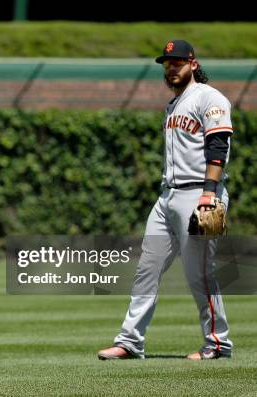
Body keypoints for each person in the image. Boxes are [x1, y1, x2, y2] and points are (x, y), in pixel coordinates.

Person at [98, 40, 234, 361]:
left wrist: (209, 194)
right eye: (167, 62)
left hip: (200, 193)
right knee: (147, 269)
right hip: (167, 197)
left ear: (193, 64)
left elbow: (218, 147)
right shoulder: (173, 105)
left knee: (199, 273)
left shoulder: (209, 98)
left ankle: (218, 343)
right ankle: (130, 341)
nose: (171, 67)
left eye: (177, 62)